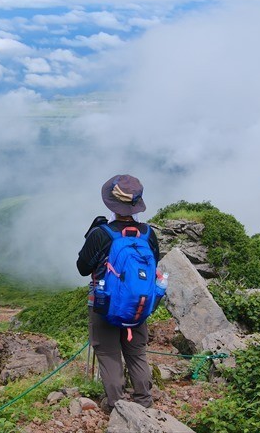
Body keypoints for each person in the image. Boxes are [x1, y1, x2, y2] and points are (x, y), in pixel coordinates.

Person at [76, 174, 160, 411]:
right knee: (136, 354)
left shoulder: (102, 233)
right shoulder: (147, 234)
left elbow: (83, 268)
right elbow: (154, 263)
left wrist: (93, 235)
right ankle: (144, 402)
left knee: (110, 355)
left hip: (104, 305)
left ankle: (119, 408)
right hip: (138, 305)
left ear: (111, 203)